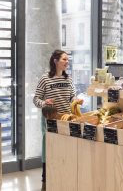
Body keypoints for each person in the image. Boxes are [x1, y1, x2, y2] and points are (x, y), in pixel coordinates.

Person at [33, 50, 83, 191]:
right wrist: (44, 103)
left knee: (65, 151)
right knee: (49, 150)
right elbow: (36, 99)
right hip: (49, 120)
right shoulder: (45, 79)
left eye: (68, 60)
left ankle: (63, 180)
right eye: (64, 59)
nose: (67, 62)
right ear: (55, 61)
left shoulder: (68, 79)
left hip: (66, 118)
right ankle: (46, 183)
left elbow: (72, 97)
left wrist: (77, 100)